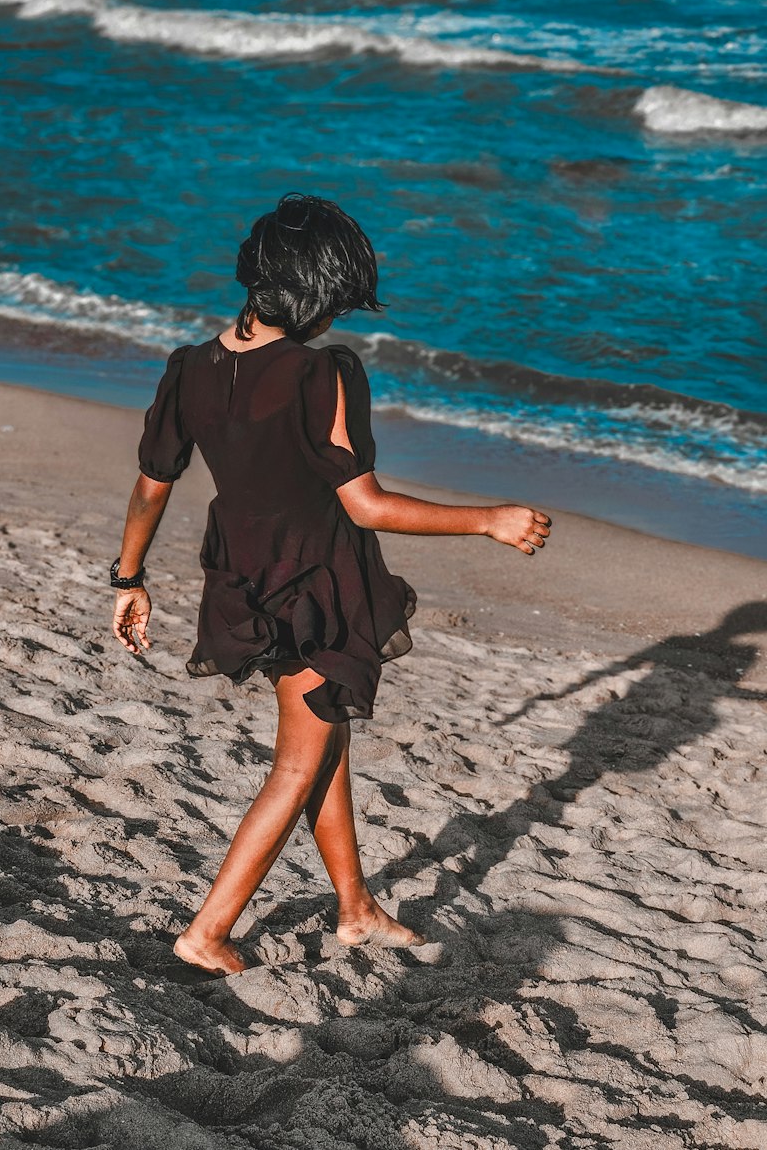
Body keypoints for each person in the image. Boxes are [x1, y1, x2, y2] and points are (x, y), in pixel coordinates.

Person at [112, 193, 551, 976]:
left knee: (324, 739)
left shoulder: (191, 369)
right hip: (315, 583)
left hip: (243, 576)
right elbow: (366, 503)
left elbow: (152, 484)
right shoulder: (324, 373)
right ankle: (207, 931)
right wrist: (488, 519)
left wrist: (128, 576)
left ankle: (355, 909)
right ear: (316, 293)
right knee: (295, 763)